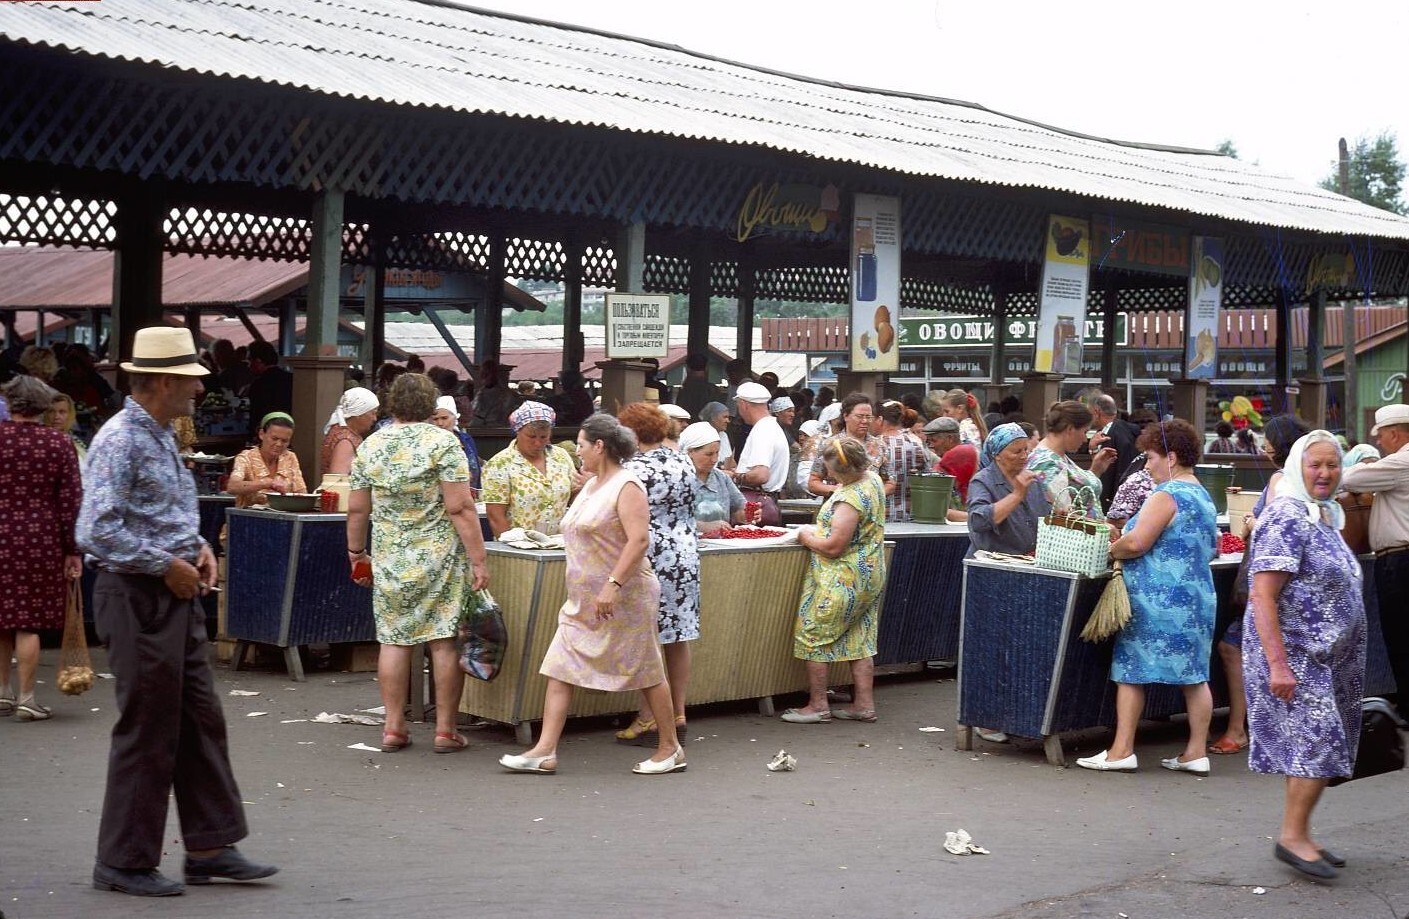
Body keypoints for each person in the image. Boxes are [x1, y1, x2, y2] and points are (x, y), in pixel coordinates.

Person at [77, 327, 277, 897]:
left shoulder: (159, 433)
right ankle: (124, 859)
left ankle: (212, 845)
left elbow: (159, 514)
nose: (197, 391)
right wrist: (165, 563)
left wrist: (197, 549)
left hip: (171, 590)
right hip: (138, 595)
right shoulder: (122, 439)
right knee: (148, 726)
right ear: (165, 381)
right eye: (190, 381)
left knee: (198, 717)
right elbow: (96, 531)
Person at [499, 413, 684, 775]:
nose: (577, 451)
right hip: (583, 600)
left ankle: (670, 747)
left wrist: (613, 585)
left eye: (581, 444)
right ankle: (544, 750)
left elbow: (640, 539)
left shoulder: (627, 485)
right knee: (559, 667)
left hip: (625, 595)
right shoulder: (591, 484)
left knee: (646, 670)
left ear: (600, 446)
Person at [347, 373, 491, 755]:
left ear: (392, 403)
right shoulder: (444, 443)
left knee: (393, 640)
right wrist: (479, 559)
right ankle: (445, 730)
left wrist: (356, 553)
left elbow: (358, 506)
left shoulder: (371, 445)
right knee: (443, 641)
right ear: (430, 406)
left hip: (390, 554)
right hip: (439, 554)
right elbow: (460, 506)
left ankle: (394, 727)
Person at [1244, 430, 1366, 879]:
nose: (1325, 473)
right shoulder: (1288, 517)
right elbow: (1262, 594)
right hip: (1294, 655)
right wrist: (1278, 664)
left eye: (1332, 465)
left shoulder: (1323, 516)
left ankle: (1302, 833)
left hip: (1325, 659)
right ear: (1298, 466)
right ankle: (1292, 837)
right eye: (1315, 464)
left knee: (1318, 746)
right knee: (1319, 741)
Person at [1077, 420, 1217, 776]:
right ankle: (1196, 752)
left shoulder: (1166, 493)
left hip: (1157, 599)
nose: (1147, 464)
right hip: (1198, 598)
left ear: (1170, 457)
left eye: (1151, 457)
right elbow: (1210, 548)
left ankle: (1121, 750)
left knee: (1130, 672)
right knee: (1195, 676)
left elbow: (1138, 542)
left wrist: (1112, 549)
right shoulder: (1202, 495)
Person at [1209, 413, 1311, 755]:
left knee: (1233, 646)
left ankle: (1239, 728)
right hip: (1293, 583)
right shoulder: (1302, 480)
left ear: (1277, 445)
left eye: (1268, 439)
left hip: (1271, 582)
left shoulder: (1282, 480)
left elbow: (1274, 524)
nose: (1263, 445)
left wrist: (1253, 521)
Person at [780, 436, 887, 724]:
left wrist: (805, 536)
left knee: (813, 634)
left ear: (846, 470)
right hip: (870, 572)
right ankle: (863, 704)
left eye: (832, 470)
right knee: (860, 637)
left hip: (842, 578)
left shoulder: (849, 498)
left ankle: (818, 705)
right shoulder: (873, 480)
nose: (829, 475)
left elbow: (833, 546)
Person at [616, 403, 700, 744]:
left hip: (651, 555)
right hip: (685, 554)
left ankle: (649, 716)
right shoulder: (682, 460)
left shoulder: (634, 468)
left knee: (647, 637)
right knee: (678, 637)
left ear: (633, 434)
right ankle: (678, 712)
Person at [0, 376, 82, 722]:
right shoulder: (58, 443)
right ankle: (28, 697)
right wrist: (72, 549)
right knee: (27, 621)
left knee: (1, 619)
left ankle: (2, 692)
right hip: (40, 539)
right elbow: (70, 501)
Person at [1340, 402, 1409, 709]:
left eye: (1381, 435)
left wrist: (1344, 464)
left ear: (1395, 434)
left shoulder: (1401, 463)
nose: (1378, 442)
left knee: (1401, 635)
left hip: (1400, 560)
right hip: (1398, 559)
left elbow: (1350, 479)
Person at [481, 401, 575, 537]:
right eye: (531, 436)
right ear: (517, 431)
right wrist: (512, 546)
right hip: (520, 548)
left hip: (559, 544)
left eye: (543, 437)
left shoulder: (561, 457)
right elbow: (496, 516)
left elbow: (574, 495)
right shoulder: (499, 464)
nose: (538, 443)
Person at [966, 422, 1050, 560]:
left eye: (1026, 450)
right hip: (992, 566)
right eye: (1017, 452)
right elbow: (978, 521)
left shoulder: (1032, 480)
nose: (1024, 456)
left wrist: (1059, 515)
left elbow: (1044, 517)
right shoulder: (983, 481)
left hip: (1027, 563)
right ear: (997, 455)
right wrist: (1016, 495)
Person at [1028, 400, 1117, 517]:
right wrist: (1103, 526)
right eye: (1085, 432)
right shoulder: (1046, 463)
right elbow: (1063, 516)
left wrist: (1096, 470)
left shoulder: (1055, 457)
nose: (1085, 439)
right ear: (1070, 429)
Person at [733, 381, 791, 526]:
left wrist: (735, 476)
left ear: (743, 405)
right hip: (767, 501)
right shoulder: (772, 426)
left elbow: (760, 475)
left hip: (757, 503)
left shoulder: (762, 430)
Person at [678, 421, 752, 533]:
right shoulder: (677, 480)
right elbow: (666, 520)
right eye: (709, 454)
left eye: (717, 453)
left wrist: (748, 514)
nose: (714, 459)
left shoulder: (722, 479)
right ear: (690, 452)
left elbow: (738, 509)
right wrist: (702, 526)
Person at [808, 393, 884, 497]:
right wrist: (837, 490)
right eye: (860, 416)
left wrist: (874, 492)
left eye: (868, 417)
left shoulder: (879, 445)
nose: (865, 421)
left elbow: (890, 482)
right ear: (845, 416)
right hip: (837, 505)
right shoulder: (830, 445)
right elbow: (813, 483)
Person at [225, 413, 307, 509]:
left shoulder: (289, 458)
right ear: (261, 434)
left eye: (284, 441)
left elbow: (302, 494)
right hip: (249, 519)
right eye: (274, 438)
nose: (279, 444)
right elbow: (232, 486)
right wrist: (266, 483)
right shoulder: (246, 457)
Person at [1087, 393, 1142, 512]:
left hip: (1113, 502)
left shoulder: (1111, 436)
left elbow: (1107, 471)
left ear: (1096, 412)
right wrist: (1093, 449)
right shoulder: (1129, 430)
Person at [874, 400, 927, 521]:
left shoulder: (875, 444)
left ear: (880, 420)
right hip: (911, 514)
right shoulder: (915, 442)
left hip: (880, 515)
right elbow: (925, 475)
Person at [320, 387, 380, 478]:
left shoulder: (346, 434)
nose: (374, 419)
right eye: (373, 413)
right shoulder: (345, 441)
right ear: (359, 414)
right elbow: (338, 480)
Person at [430, 395, 482, 493]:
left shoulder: (466, 439)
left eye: (444, 418)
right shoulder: (429, 444)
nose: (440, 423)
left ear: (455, 417)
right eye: (435, 419)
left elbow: (476, 465)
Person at [923, 416, 978, 504]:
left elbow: (932, 486)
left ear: (950, 438)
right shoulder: (967, 449)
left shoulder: (960, 452)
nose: (931, 446)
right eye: (928, 442)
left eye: (934, 441)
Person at [243, 341, 292, 439]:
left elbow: (256, 415)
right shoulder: (291, 379)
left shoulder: (258, 384)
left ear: (258, 361)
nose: (248, 366)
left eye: (249, 361)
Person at [46, 390, 89, 476]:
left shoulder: (79, 440)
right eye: (51, 411)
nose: (56, 417)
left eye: (62, 412)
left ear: (70, 414)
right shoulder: (41, 442)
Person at [674, 353, 718, 420]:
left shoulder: (684, 390)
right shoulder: (713, 389)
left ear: (688, 368)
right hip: (708, 426)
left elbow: (679, 411)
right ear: (706, 368)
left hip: (688, 425)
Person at [699, 401, 734, 470]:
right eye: (725, 417)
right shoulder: (701, 434)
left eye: (728, 417)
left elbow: (729, 460)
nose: (728, 421)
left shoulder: (723, 435)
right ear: (713, 418)